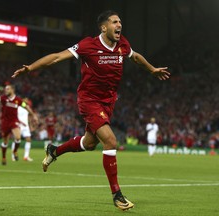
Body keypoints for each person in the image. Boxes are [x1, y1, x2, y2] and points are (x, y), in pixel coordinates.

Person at [12, 10, 170, 211]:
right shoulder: (88, 45)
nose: (119, 25)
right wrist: (31, 68)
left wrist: (152, 69)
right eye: (114, 22)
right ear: (104, 27)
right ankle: (117, 194)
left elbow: (135, 57)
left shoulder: (123, 44)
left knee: (89, 143)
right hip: (89, 100)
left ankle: (54, 150)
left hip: (108, 102)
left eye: (120, 21)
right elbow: (57, 57)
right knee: (110, 141)